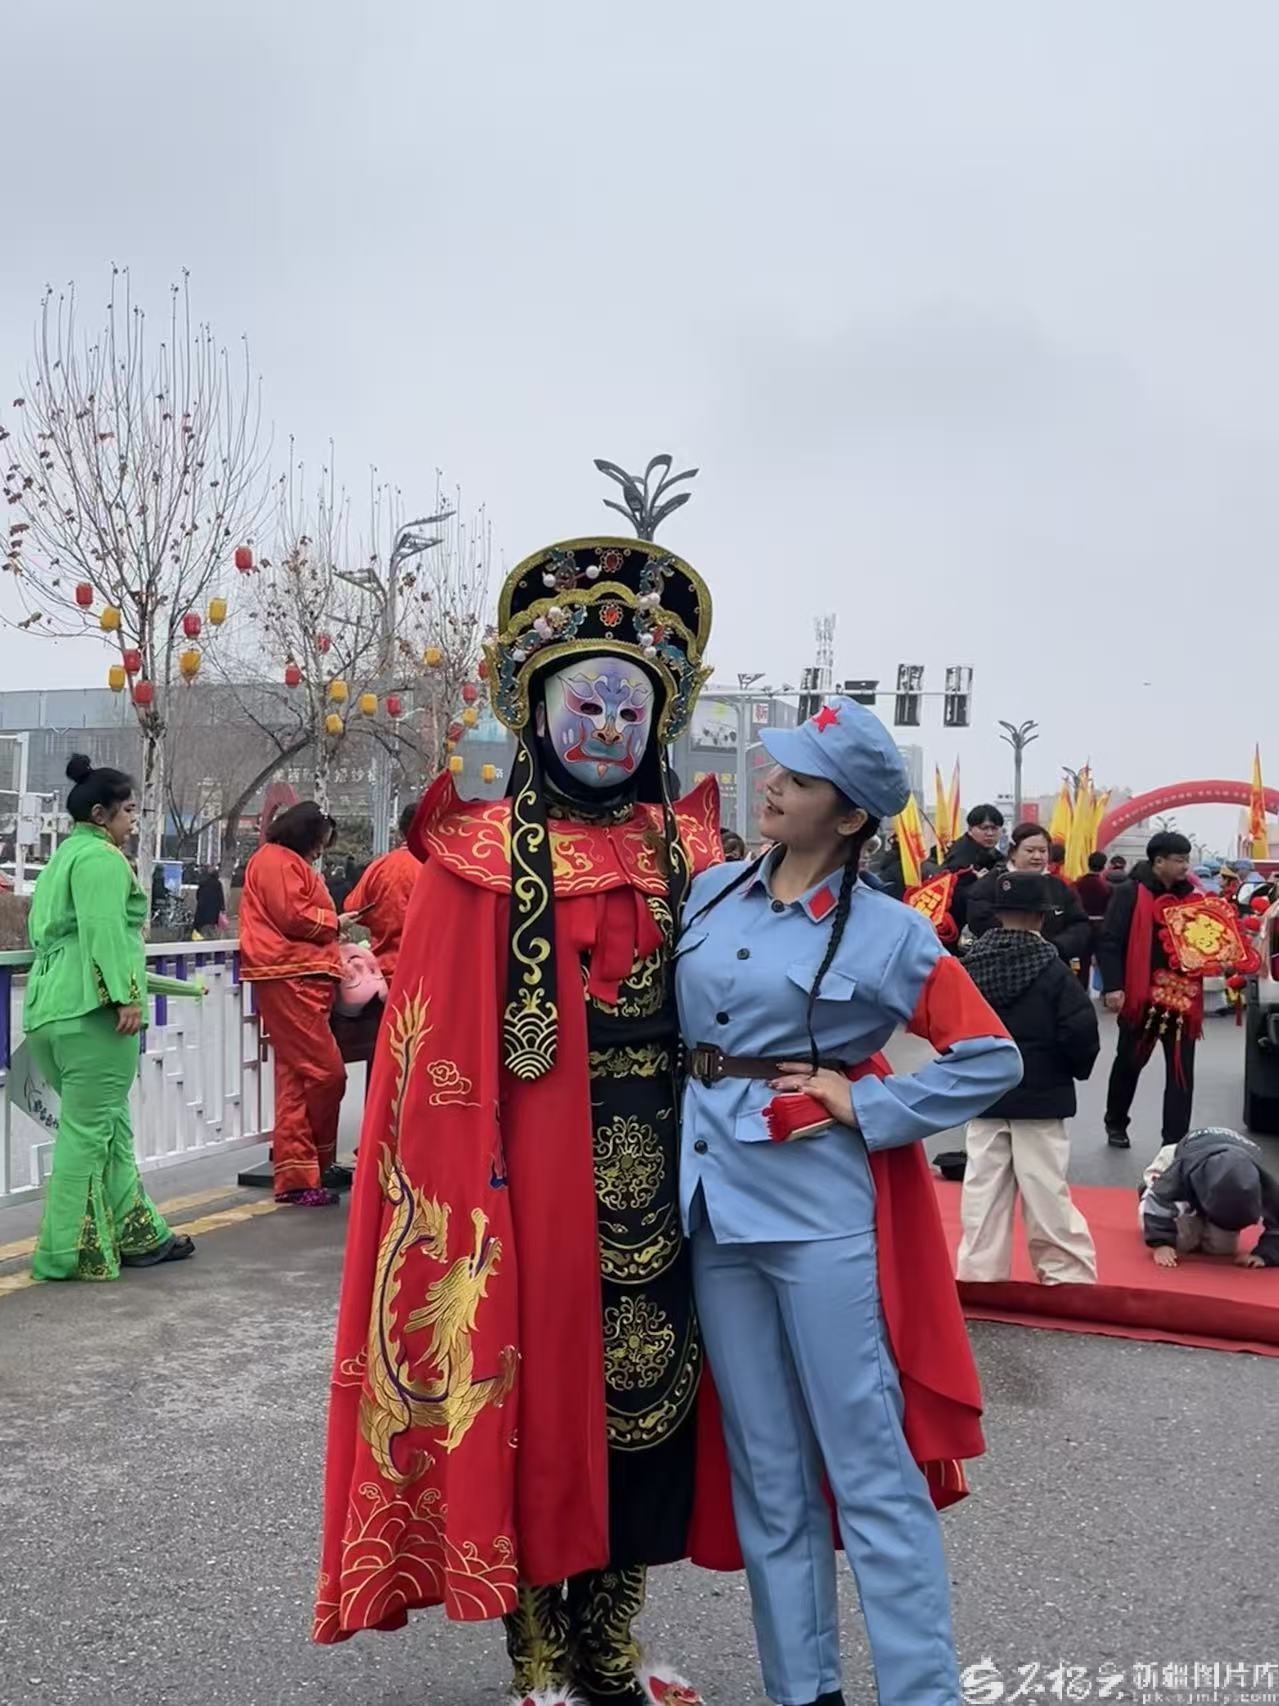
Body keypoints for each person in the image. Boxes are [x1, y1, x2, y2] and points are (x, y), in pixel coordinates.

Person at [315, 528, 729, 1705]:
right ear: (534, 709)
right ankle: (537, 1651)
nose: (608, 727)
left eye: (630, 709)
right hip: (531, 1182)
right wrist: (469, 1181)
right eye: (586, 702)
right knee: (538, 1411)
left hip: (671, 1174)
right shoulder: (479, 855)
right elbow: (436, 1049)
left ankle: (611, 1639)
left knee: (651, 1406)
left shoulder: (691, 847)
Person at [675, 696, 1022, 1706]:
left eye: (800, 779)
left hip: (816, 1217)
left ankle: (919, 1690)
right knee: (765, 1468)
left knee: (867, 1464)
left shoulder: (889, 934)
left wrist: (865, 1102)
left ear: (851, 815)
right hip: (709, 1208)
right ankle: (803, 1689)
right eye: (777, 768)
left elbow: (988, 1055)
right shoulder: (708, 892)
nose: (772, 784)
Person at [24, 755, 196, 1280]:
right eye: (129, 811)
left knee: (109, 1129)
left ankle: (139, 1234)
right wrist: (123, 996)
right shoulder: (101, 859)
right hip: (90, 1012)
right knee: (87, 1134)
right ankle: (64, 1254)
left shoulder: (62, 858)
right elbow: (103, 929)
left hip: (51, 1008)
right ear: (100, 814)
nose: (134, 821)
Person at [956, 872, 1099, 1285]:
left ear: (998, 913)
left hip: (984, 1094)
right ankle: (1065, 1273)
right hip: (1042, 1096)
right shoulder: (1052, 969)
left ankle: (979, 1273)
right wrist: (1074, 1069)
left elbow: (950, 1026)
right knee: (1044, 1187)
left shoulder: (969, 967)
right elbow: (1079, 1031)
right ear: (1041, 916)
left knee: (982, 1187)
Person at [239, 802, 348, 1206]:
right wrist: (335, 923)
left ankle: (302, 1174)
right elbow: (294, 916)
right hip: (290, 973)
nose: (320, 851)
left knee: (299, 1078)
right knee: (326, 1073)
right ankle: (309, 1167)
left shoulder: (281, 860)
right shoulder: (277, 861)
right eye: (319, 843)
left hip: (297, 973)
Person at [1098, 830, 1197, 1151]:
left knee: (1181, 1071)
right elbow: (1109, 941)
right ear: (1159, 862)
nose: (1185, 866)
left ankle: (1174, 1141)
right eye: (1179, 860)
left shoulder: (1192, 897)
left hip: (1180, 995)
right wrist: (1114, 986)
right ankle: (1116, 1121)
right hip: (1141, 995)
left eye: (1187, 859)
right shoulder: (1129, 893)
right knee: (1129, 1063)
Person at [1140, 1126, 1279, 1268]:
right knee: (1184, 1242)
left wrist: (1265, 1255)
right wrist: (1161, 1243)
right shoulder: (1185, 1167)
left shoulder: (1263, 1180)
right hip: (1182, 1155)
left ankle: (1209, 1218)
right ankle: (1146, 1190)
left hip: (1229, 1162)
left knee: (1222, 1249)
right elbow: (1159, 1198)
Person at [966, 822, 1091, 968]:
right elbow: (980, 919)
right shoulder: (992, 884)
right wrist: (1022, 947)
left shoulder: (1059, 886)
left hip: (1052, 965)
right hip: (1001, 965)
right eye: (1030, 851)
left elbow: (1079, 924)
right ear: (1013, 853)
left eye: (1043, 851)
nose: (1037, 856)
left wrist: (1057, 947)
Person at [341, 800, 421, 983]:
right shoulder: (436, 870)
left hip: (382, 972)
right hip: (424, 972)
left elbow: (353, 909)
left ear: (401, 832)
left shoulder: (379, 867)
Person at [942, 803, 1004, 930]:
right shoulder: (960, 858)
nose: (990, 833)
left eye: (994, 828)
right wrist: (981, 884)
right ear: (970, 829)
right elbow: (954, 898)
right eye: (984, 828)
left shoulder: (997, 856)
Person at [1073, 851, 1113, 989]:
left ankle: (1081, 988)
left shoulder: (1077, 884)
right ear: (1104, 866)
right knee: (1103, 960)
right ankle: (1105, 989)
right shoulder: (1106, 886)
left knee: (1082, 961)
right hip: (1101, 925)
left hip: (1082, 926)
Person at [191, 866, 227, 940]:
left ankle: (204, 941)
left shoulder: (203, 883)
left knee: (203, 928)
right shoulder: (217, 883)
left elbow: (198, 895)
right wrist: (222, 908)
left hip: (202, 910)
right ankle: (212, 942)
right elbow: (220, 897)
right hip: (214, 910)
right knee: (211, 928)